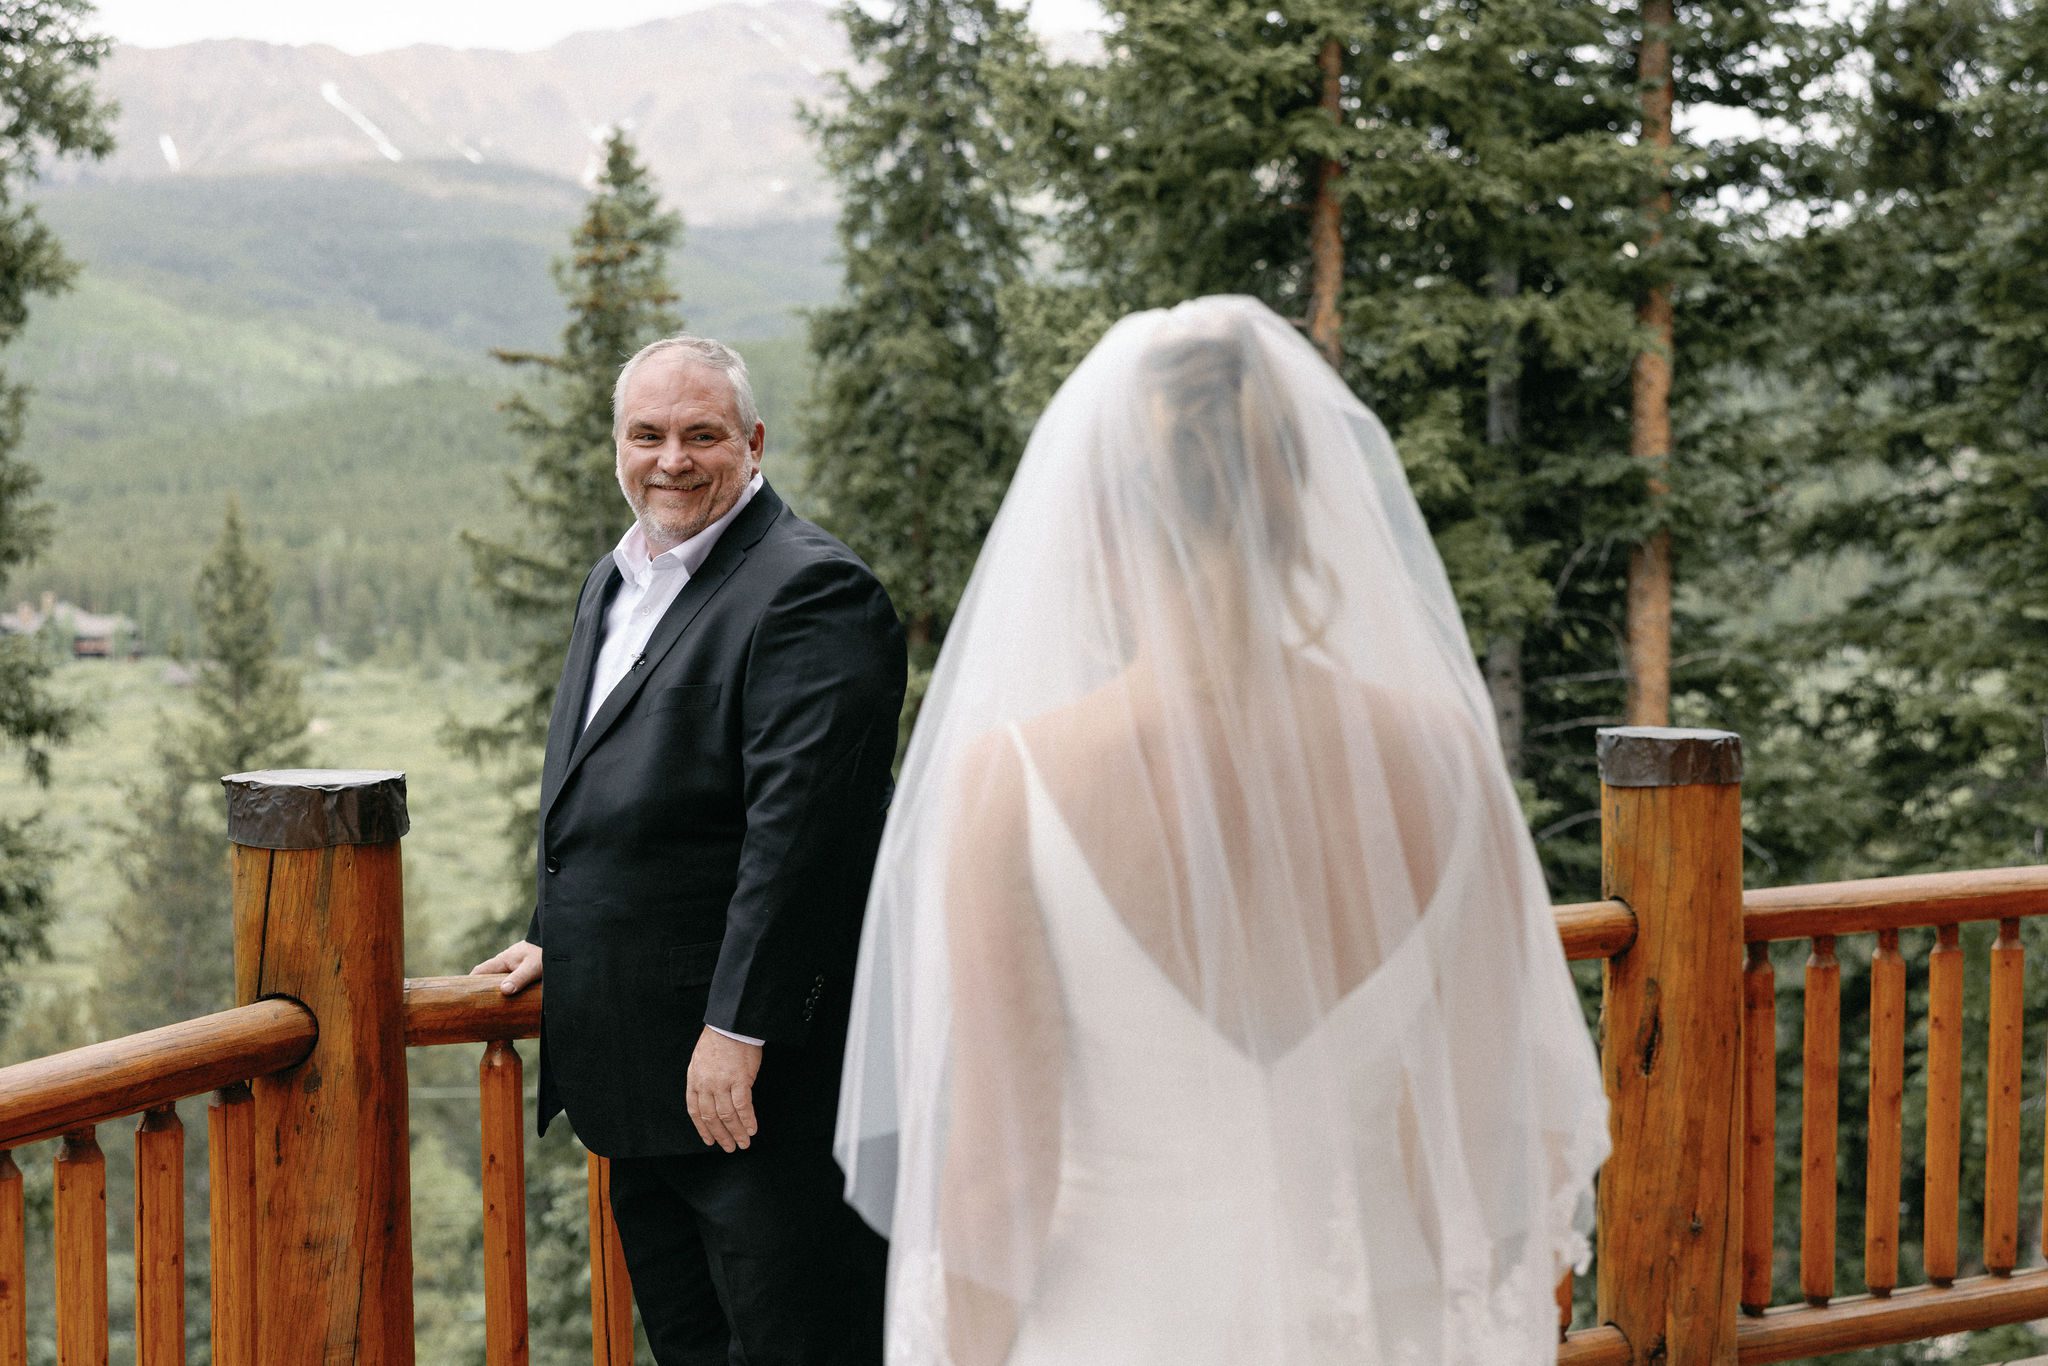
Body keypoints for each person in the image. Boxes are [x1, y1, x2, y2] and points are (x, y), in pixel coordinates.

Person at [835, 296, 1608, 1363]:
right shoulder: (1446, 762)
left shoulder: (1013, 783)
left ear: (1098, 517)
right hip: (1381, 1327)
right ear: (1299, 503)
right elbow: (1481, 1149)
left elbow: (1000, 1179)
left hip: (1119, 1328)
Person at [473, 335, 906, 1366]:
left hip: (761, 1095)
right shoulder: (616, 580)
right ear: (617, 445)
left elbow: (802, 834)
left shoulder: (813, 592)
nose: (672, 458)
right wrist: (554, 936)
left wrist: (738, 1027)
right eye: (648, 435)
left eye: (701, 435)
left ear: (751, 444)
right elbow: (619, 797)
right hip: (638, 1084)